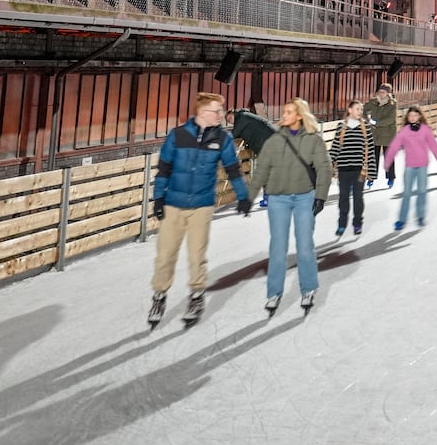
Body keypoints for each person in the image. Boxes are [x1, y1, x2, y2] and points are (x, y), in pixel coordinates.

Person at [148, 93, 251, 326]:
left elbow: (232, 169)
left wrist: (243, 196)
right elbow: (164, 169)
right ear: (203, 113)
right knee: (165, 255)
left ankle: (196, 296)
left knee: (197, 255)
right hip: (174, 203)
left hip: (202, 206)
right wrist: (158, 198)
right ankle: (159, 295)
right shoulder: (178, 135)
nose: (221, 115)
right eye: (217, 111)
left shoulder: (222, 139)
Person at [250, 98, 332, 314]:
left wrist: (320, 196)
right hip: (279, 199)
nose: (283, 115)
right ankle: (274, 293)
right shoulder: (274, 141)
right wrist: (248, 197)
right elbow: (261, 170)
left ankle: (308, 288)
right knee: (277, 248)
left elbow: (324, 168)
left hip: (305, 197)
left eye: (288, 112)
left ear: (299, 116)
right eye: (284, 111)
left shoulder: (313, 140)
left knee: (305, 246)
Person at [383, 105, 437, 230]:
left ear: (420, 116)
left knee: (422, 191)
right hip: (410, 166)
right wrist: (387, 162)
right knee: (407, 193)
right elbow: (394, 146)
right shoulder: (405, 131)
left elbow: (433, 146)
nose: (412, 118)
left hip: (422, 166)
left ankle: (421, 216)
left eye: (415, 115)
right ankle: (402, 219)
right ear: (407, 117)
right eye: (410, 115)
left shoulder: (425, 130)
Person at [328, 100, 375, 236]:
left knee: (358, 197)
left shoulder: (365, 127)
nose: (360, 111)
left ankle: (357, 223)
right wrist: (329, 164)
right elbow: (335, 147)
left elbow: (370, 149)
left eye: (361, 109)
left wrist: (371, 171)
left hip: (359, 170)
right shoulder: (341, 127)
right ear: (349, 110)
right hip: (343, 169)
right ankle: (342, 224)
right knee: (343, 198)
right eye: (357, 109)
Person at [365, 84, 399, 190]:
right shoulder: (373, 101)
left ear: (388, 93)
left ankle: (390, 177)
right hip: (375, 134)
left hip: (388, 134)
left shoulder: (392, 104)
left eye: (383, 92)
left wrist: (377, 123)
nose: (381, 93)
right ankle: (371, 177)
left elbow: (390, 119)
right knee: (372, 157)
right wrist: (368, 120)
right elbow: (363, 109)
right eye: (380, 91)